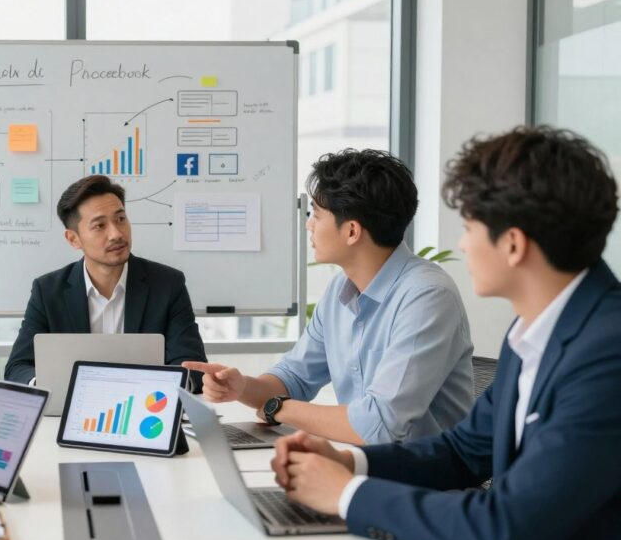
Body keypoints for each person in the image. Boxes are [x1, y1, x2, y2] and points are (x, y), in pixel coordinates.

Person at [271, 126, 621, 540]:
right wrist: (348, 461)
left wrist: (344, 493)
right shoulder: (532, 333)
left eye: (470, 226)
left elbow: (507, 527)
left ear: (513, 244)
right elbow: (461, 452)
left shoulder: (606, 356)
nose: (461, 244)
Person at [185, 149, 473, 445]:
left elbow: (380, 426)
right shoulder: (340, 290)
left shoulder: (427, 297)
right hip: (359, 467)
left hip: (422, 483)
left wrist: (280, 408)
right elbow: (294, 379)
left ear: (351, 231)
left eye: (316, 214)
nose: (309, 224)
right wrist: (242, 387)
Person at [4, 174, 208, 390]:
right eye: (100, 226)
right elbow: (18, 367)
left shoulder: (168, 285)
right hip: (73, 411)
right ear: (73, 239)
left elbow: (192, 366)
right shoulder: (48, 291)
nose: (116, 234)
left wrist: (169, 387)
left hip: (146, 412)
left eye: (121, 219)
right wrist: (50, 387)